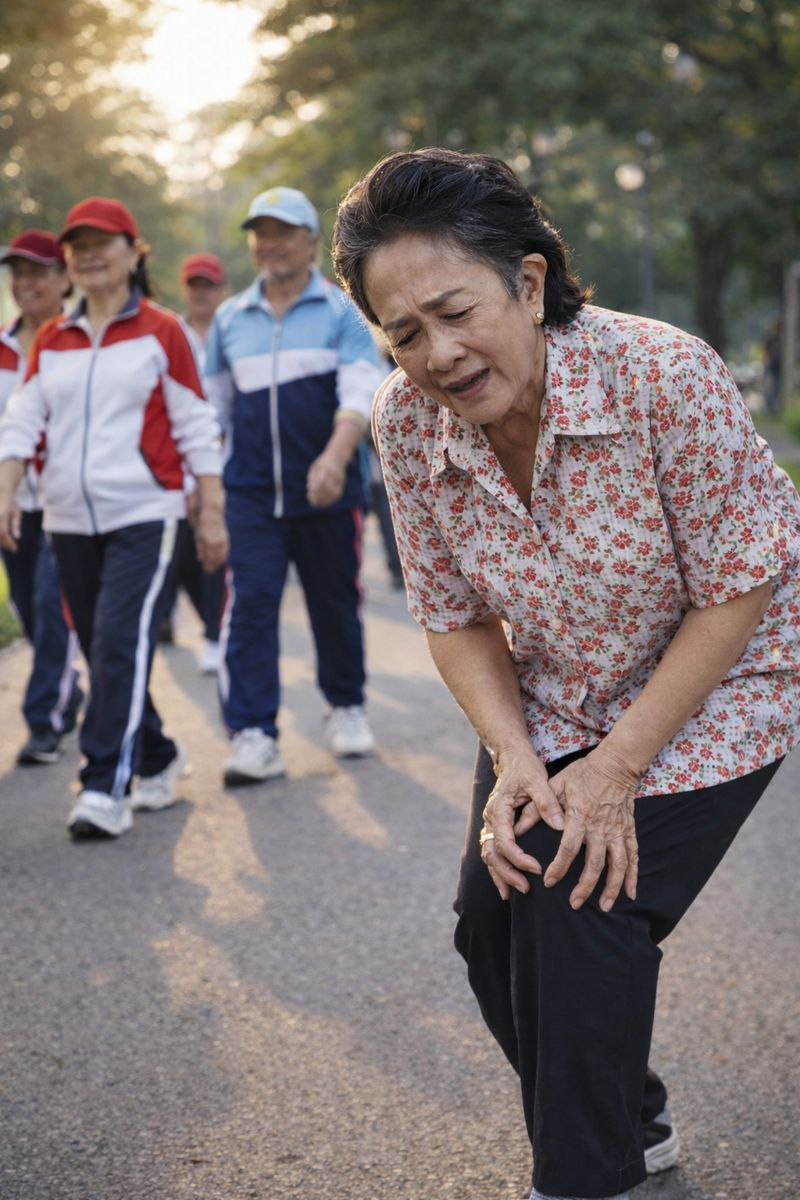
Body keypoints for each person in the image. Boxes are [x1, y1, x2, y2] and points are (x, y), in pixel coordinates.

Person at [332, 149, 800, 1200]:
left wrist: (614, 769)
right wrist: (512, 757)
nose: (438, 353)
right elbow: (453, 618)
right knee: (488, 917)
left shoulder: (660, 374)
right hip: (551, 694)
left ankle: (584, 1177)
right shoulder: (404, 423)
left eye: (455, 311)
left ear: (529, 282)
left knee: (577, 896)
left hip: (722, 679)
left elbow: (739, 585)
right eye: (403, 333)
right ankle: (627, 1117)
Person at [0, 197, 227, 839]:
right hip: (68, 520)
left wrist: (210, 514)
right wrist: (7, 492)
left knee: (119, 640)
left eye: (104, 242)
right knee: (105, 652)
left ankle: (104, 783)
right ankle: (157, 753)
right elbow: (22, 423)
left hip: (145, 515)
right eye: (79, 245)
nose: (90, 254)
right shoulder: (52, 337)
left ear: (134, 252)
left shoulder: (161, 331)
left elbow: (195, 426)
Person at [204, 186, 383, 785]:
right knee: (250, 606)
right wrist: (208, 488)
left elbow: (361, 391)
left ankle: (346, 706)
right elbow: (215, 412)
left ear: (311, 242)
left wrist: (335, 458)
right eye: (261, 233)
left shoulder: (342, 313)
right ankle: (254, 733)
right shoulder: (230, 318)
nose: (271, 244)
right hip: (251, 494)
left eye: (284, 232)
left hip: (328, 493)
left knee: (334, 604)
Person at [0, 230, 83, 764]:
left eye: (37, 272)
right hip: (12, 504)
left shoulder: (75, 342)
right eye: (17, 273)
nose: (25, 283)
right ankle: (66, 690)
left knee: (55, 609)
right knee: (27, 608)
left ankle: (42, 723)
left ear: (63, 278)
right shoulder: (2, 348)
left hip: (66, 501)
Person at [160, 253, 228, 673]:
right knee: (179, 554)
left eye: (209, 285)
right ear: (185, 288)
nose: (201, 293)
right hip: (176, 466)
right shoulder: (172, 333)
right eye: (194, 285)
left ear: (220, 290)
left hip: (224, 463)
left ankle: (214, 634)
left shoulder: (231, 329)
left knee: (215, 552)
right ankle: (177, 615)